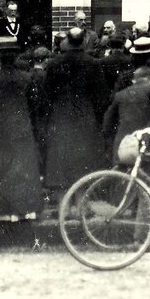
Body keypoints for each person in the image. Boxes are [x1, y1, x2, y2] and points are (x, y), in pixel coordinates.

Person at [0, 37, 45, 242]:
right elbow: (34, 107)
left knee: (2, 172)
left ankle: (2, 213)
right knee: (22, 172)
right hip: (21, 130)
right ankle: (24, 212)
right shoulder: (27, 78)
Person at [38, 27, 107, 201]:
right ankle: (82, 198)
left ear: (67, 41)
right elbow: (101, 95)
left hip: (60, 114)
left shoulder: (54, 63)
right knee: (83, 156)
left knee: (61, 156)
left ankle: (63, 201)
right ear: (84, 40)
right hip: (85, 114)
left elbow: (47, 92)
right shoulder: (93, 63)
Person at [102, 66, 150, 165]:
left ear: (134, 81)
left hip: (124, 147)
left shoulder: (120, 95)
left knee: (124, 178)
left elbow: (107, 123)